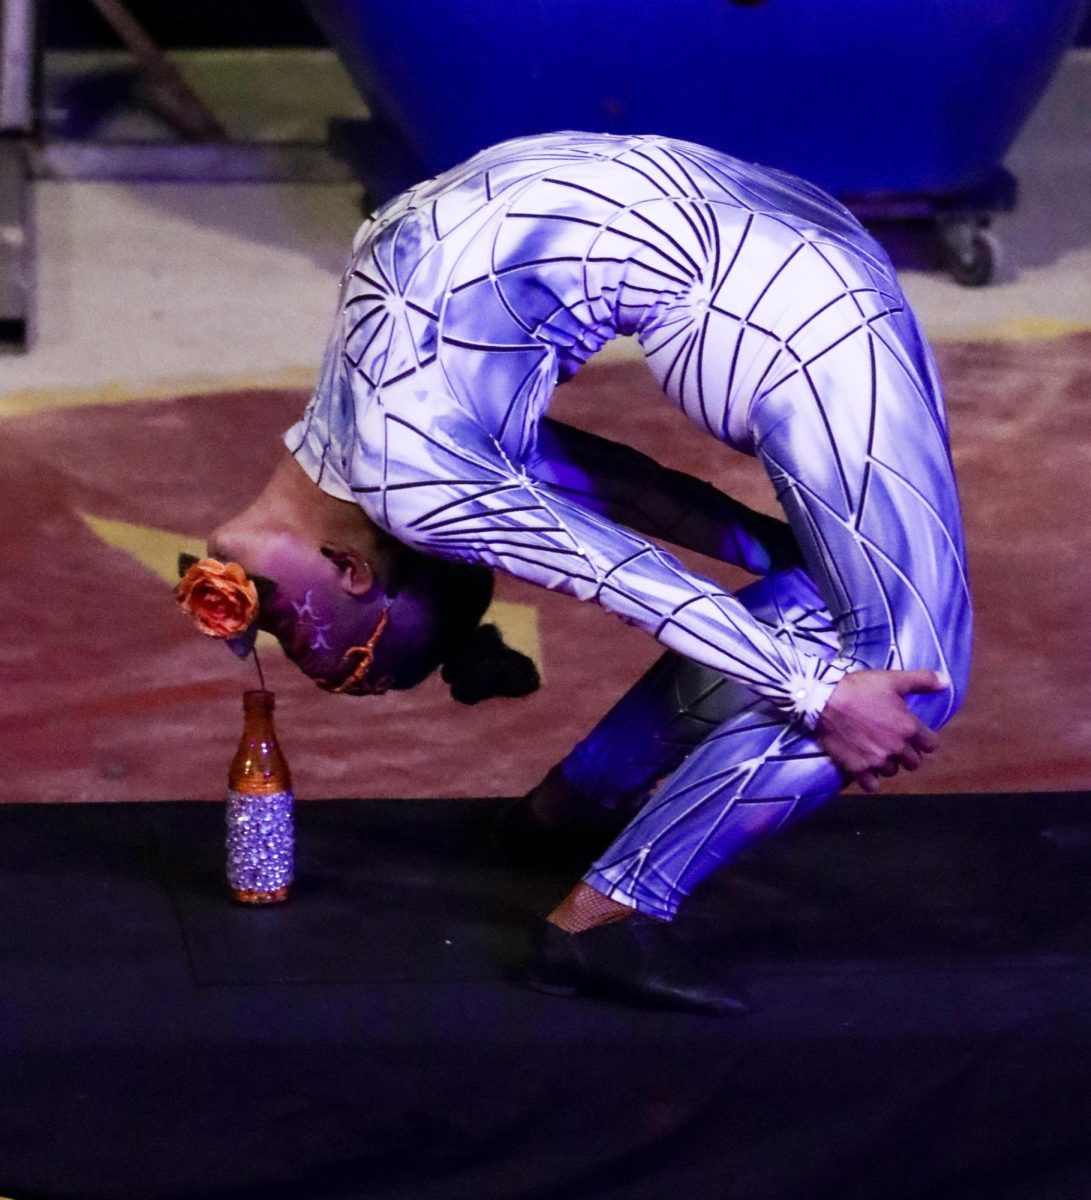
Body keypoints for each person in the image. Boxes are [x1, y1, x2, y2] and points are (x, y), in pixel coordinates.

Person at [204, 131, 973, 1016]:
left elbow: (627, 573)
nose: (299, 644)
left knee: (905, 672)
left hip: (789, 297)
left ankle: (599, 910)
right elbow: (605, 485)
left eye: (323, 650)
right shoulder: (361, 405)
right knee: (839, 618)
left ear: (348, 571)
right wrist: (780, 552)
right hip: (784, 241)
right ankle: (567, 827)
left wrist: (824, 695)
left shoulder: (409, 484)